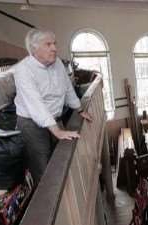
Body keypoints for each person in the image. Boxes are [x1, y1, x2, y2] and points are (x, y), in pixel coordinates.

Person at [14, 29, 92, 185]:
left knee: (62, 160)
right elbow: (36, 104)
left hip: (54, 118)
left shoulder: (57, 64)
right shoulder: (23, 70)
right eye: (48, 44)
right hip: (32, 124)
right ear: (34, 49)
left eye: (54, 43)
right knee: (43, 167)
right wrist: (57, 130)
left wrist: (79, 109)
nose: (54, 48)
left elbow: (68, 88)